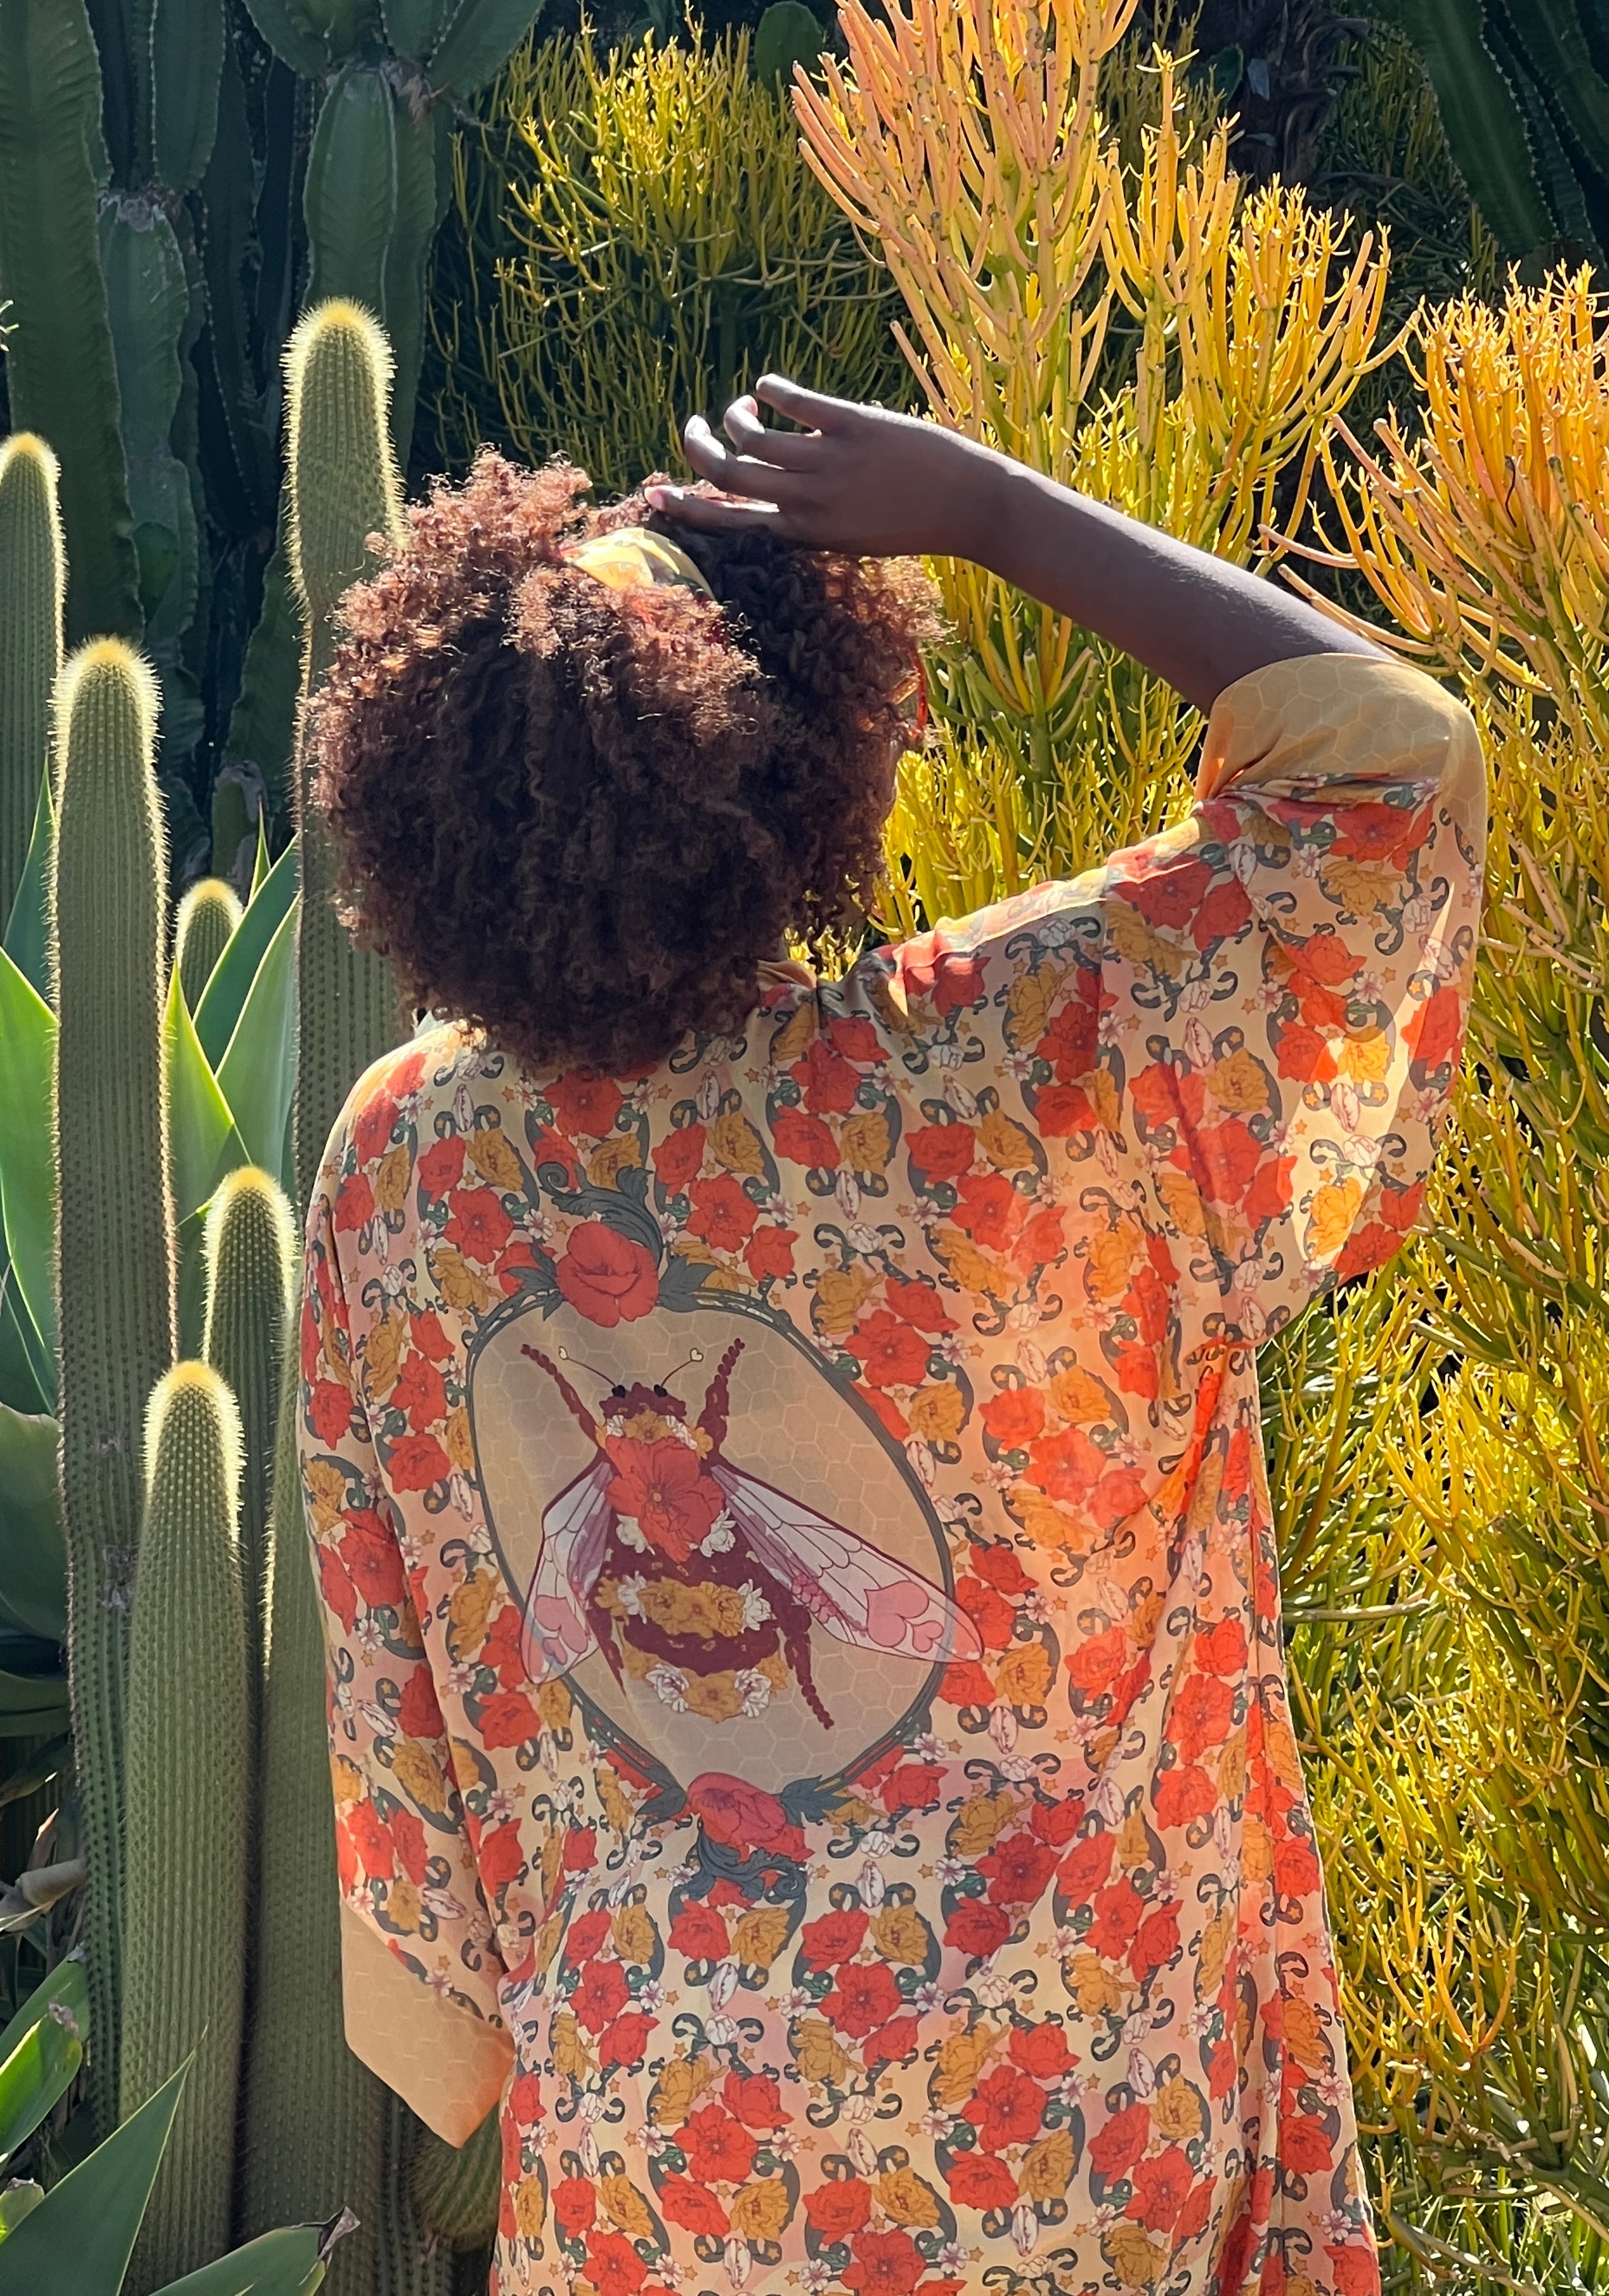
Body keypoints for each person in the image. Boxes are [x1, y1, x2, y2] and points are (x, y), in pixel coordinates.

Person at [297, 378, 1483, 2296]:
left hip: (651, 2150)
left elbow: (395, 1676)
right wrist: (992, 509)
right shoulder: (994, 1070)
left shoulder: (399, 1164)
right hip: (1055, 2123)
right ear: (817, 764)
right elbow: (1384, 763)